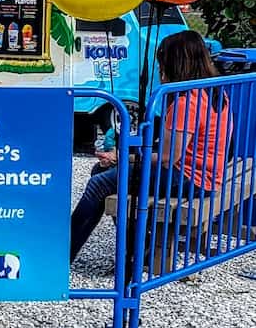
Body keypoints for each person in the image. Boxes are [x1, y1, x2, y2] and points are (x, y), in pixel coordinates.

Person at [69, 30, 231, 264]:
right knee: (102, 173)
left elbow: (167, 157)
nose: (159, 70)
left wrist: (122, 157)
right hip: (205, 175)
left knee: (99, 183)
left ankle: (63, 254)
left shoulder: (186, 102)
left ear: (175, 64)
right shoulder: (214, 92)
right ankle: (138, 249)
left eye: (162, 63)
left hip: (188, 178)